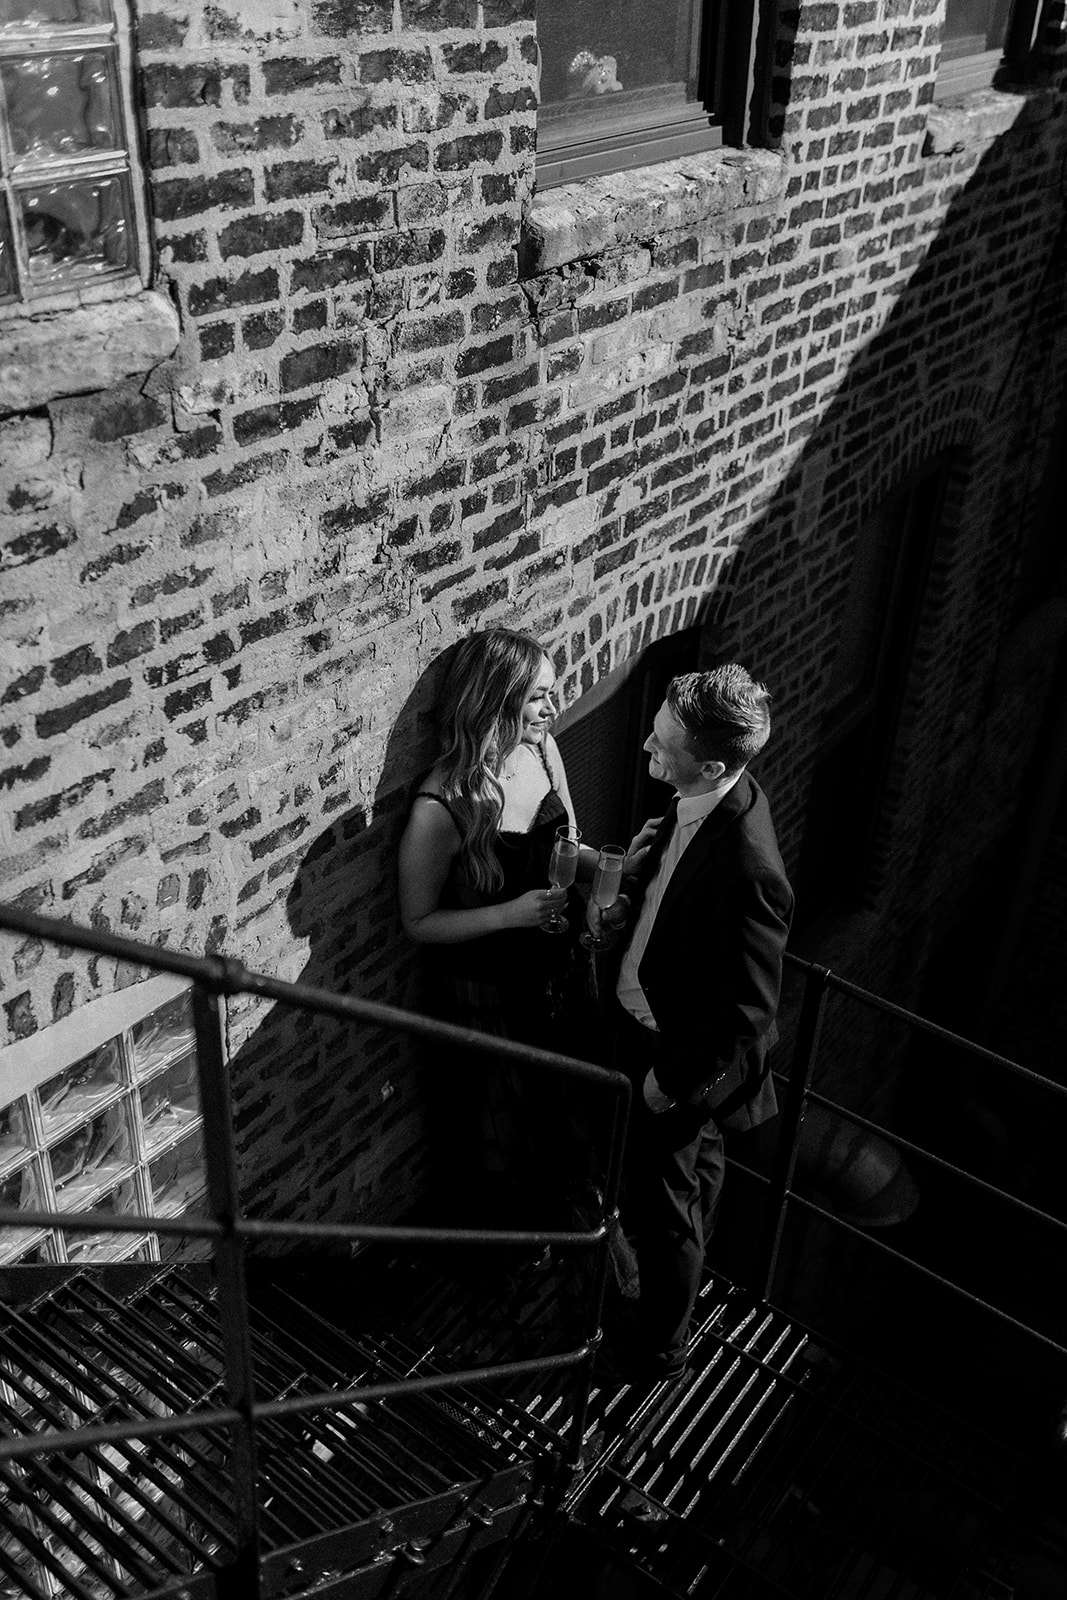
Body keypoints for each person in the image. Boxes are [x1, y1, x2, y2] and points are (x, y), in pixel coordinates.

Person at [598, 664, 793, 1380]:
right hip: (642, 1025)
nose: (647, 745)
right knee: (696, 1179)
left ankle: (658, 1350)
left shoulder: (750, 866)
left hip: (672, 1057)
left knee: (663, 1216)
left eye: (662, 740)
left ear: (710, 763)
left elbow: (747, 1009)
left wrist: (667, 1084)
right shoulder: (694, 806)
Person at [398, 627, 595, 1223]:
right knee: (504, 1128)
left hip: (554, 969)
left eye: (552, 693)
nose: (553, 709)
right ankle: (506, 1248)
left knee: (563, 1105)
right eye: (538, 697)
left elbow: (567, 847)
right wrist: (511, 914)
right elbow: (418, 922)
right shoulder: (443, 806)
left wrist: (616, 866)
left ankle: (559, 1220)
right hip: (486, 993)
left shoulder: (543, 751)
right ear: (494, 699)